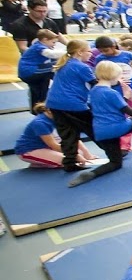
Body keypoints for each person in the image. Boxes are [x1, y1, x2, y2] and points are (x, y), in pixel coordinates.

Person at [44, 39, 97, 173]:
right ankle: (114, 154)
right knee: (94, 128)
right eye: (89, 51)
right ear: (80, 52)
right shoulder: (82, 67)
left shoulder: (64, 63)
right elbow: (95, 84)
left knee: (68, 134)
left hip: (54, 103)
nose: (91, 54)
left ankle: (69, 162)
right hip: (72, 104)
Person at [14, 103, 97, 169]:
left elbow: (73, 137)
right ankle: (39, 164)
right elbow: (53, 145)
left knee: (80, 154)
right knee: (70, 161)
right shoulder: (40, 123)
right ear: (50, 111)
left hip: (46, 147)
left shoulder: (60, 118)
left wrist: (87, 154)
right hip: (28, 150)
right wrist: (75, 155)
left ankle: (43, 161)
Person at [17, 28, 64, 107]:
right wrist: (69, 53)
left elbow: (53, 59)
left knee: (39, 90)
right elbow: (52, 54)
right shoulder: (38, 47)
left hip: (30, 72)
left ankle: (38, 106)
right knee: (50, 75)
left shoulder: (41, 46)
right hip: (30, 72)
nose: (54, 44)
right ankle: (42, 105)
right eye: (53, 42)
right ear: (45, 40)